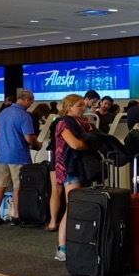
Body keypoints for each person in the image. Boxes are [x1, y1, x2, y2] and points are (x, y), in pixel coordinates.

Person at [0, 89, 40, 226]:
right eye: (31, 102)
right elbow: (29, 138)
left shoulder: (3, 113)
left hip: (0, 154)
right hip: (17, 155)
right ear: (27, 100)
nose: (31, 105)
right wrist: (38, 145)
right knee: (18, 186)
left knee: (0, 185)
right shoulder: (24, 116)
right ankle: (16, 216)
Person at [53, 94, 92, 261]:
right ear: (69, 107)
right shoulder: (62, 123)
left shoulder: (83, 123)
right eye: (79, 105)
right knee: (72, 207)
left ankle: (75, 243)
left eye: (83, 105)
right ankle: (62, 248)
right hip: (70, 168)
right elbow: (75, 144)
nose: (83, 108)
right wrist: (90, 144)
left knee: (79, 206)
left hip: (82, 168)